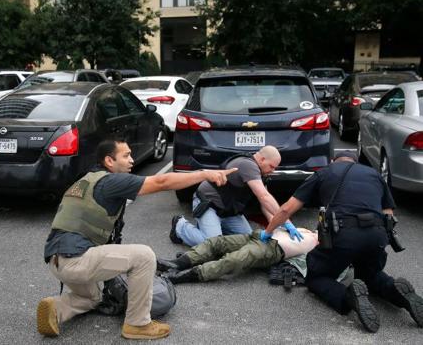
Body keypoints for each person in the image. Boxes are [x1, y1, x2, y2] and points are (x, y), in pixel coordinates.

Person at [37, 139, 237, 340]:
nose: (132, 160)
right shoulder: (111, 181)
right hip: (77, 260)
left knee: (91, 297)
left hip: (57, 261)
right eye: (125, 156)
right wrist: (205, 174)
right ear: (109, 160)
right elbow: (161, 182)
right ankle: (137, 324)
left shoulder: (85, 181)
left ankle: (55, 309)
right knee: (144, 256)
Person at [264, 150, 423, 332]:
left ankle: (348, 296)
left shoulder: (324, 172)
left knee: (317, 277)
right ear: (355, 162)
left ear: (333, 161)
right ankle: (398, 292)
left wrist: (268, 232)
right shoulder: (374, 175)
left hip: (343, 234)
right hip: (376, 234)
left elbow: (286, 209)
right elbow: (389, 214)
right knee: (371, 275)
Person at [170, 145, 303, 246]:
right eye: (272, 166)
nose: (273, 171)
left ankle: (214, 228)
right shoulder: (248, 165)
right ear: (262, 159)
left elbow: (265, 205)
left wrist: (276, 225)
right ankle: (180, 227)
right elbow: (264, 197)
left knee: (249, 240)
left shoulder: (261, 174)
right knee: (213, 245)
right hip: (208, 205)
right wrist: (287, 222)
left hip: (228, 211)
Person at [157, 227, 318, 284]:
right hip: (258, 235)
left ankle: (181, 277)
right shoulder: (307, 230)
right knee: (216, 242)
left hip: (273, 249)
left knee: (234, 260)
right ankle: (177, 263)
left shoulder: (317, 247)